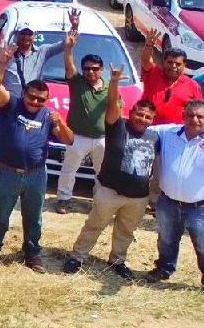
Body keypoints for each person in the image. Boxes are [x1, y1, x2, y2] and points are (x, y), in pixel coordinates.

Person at [0, 44, 74, 272]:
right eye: (31, 97)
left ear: (46, 100)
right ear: (24, 93)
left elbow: (69, 140)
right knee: (0, 215)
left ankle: (32, 254)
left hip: (36, 175)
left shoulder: (48, 115)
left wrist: (61, 123)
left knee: (34, 218)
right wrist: (2, 62)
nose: (34, 102)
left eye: (40, 100)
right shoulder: (11, 104)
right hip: (6, 172)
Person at [64, 66, 158, 278]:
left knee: (126, 231)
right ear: (131, 113)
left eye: (147, 117)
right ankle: (77, 257)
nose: (142, 119)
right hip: (110, 191)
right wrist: (114, 83)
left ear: (152, 119)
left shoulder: (154, 137)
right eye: (139, 114)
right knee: (94, 225)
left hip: (138, 197)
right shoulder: (117, 126)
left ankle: (117, 260)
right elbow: (112, 103)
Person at [147, 99, 204, 291]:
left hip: (201, 207)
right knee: (167, 240)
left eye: (200, 116)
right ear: (183, 116)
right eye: (191, 115)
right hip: (168, 202)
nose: (195, 119)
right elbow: (141, 127)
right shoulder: (167, 132)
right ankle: (164, 269)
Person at [54, 30, 109, 214]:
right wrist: (69, 47)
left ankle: (100, 203)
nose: (90, 72)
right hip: (77, 136)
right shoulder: (77, 82)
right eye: (86, 68)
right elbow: (69, 64)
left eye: (94, 68)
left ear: (101, 70)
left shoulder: (110, 88)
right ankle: (63, 199)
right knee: (69, 169)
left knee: (102, 173)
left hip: (102, 138)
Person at [141, 30, 203, 125]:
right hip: (147, 128)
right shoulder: (153, 73)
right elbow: (146, 61)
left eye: (178, 64)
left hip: (176, 132)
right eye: (170, 62)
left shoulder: (193, 86)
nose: (173, 66)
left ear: (184, 65)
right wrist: (148, 46)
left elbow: (199, 111)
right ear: (164, 62)